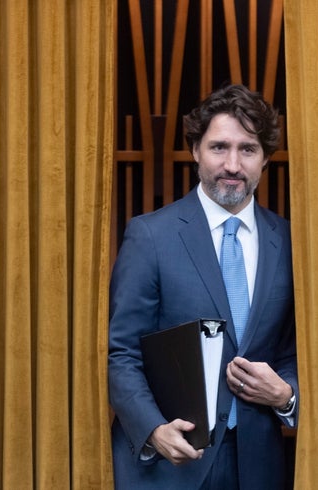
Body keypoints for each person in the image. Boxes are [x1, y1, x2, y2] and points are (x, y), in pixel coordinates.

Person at [108, 84, 298, 489]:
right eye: (218, 147)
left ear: (265, 158)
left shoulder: (290, 242)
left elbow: (298, 353)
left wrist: (287, 396)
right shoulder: (150, 236)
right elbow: (122, 353)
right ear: (195, 150)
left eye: (247, 149)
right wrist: (154, 430)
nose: (232, 164)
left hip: (260, 465)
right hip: (168, 466)